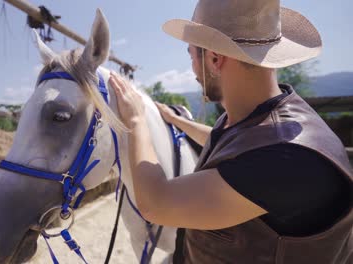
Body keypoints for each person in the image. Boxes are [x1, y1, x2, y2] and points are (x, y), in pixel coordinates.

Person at [108, 0, 353, 263]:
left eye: (191, 55)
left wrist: (136, 119)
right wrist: (176, 120)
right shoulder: (261, 117)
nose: (192, 69)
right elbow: (232, 144)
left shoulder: (285, 157)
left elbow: (155, 204)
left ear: (214, 59)